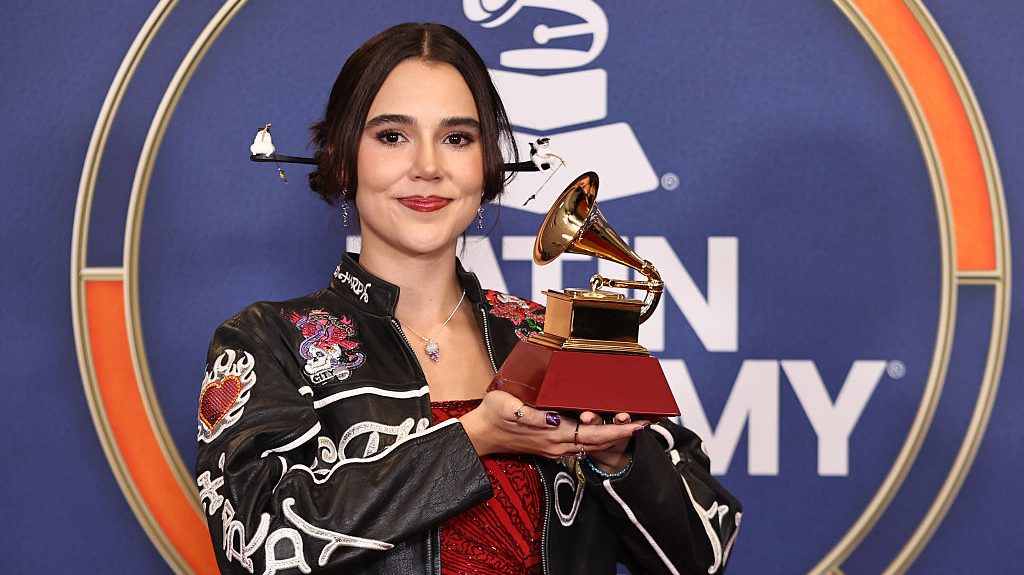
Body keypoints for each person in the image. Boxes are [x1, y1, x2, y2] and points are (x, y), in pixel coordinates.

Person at [195, 22, 741, 575]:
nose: (428, 166)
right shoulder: (266, 342)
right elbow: (256, 551)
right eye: (392, 136)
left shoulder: (552, 336)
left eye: (457, 138)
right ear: (341, 158)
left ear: (487, 167)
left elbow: (704, 554)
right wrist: (473, 438)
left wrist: (617, 456)